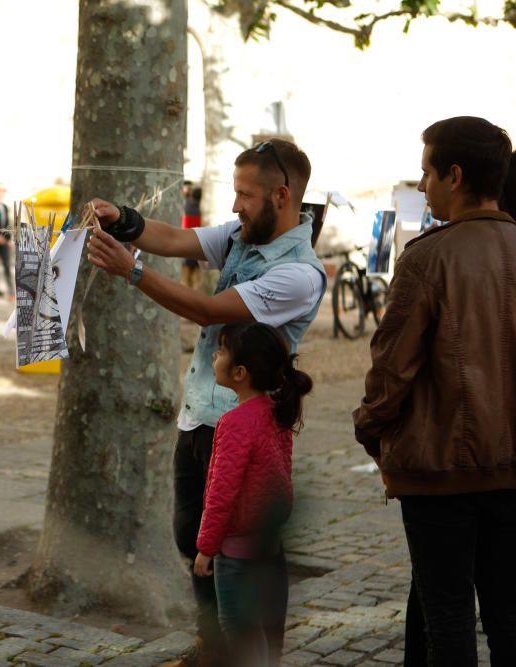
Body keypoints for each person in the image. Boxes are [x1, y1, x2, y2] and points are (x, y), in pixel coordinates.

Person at [87, 139, 326, 667]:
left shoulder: (299, 274)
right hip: (199, 413)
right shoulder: (245, 235)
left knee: (244, 551)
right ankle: (212, 641)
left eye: (244, 194)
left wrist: (131, 271)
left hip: (245, 426)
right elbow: (175, 238)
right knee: (191, 537)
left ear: (281, 196)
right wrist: (123, 219)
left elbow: (207, 309)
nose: (235, 205)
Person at [353, 117, 516, 666]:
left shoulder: (427, 256)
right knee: (513, 617)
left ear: (454, 176)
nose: (420, 186)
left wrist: (371, 429)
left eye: (426, 173)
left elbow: (391, 371)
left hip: (441, 473)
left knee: (449, 616)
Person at [193, 322, 311, 666]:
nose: (215, 356)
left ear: (240, 372)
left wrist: (206, 548)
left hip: (237, 558)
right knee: (270, 636)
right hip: (271, 549)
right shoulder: (277, 412)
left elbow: (221, 493)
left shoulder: (233, 424)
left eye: (222, 351)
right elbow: (282, 476)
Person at [181, 186, 203, 290]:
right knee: (195, 280)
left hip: (186, 245)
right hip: (196, 246)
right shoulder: (198, 209)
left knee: (185, 280)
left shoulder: (187, 206)